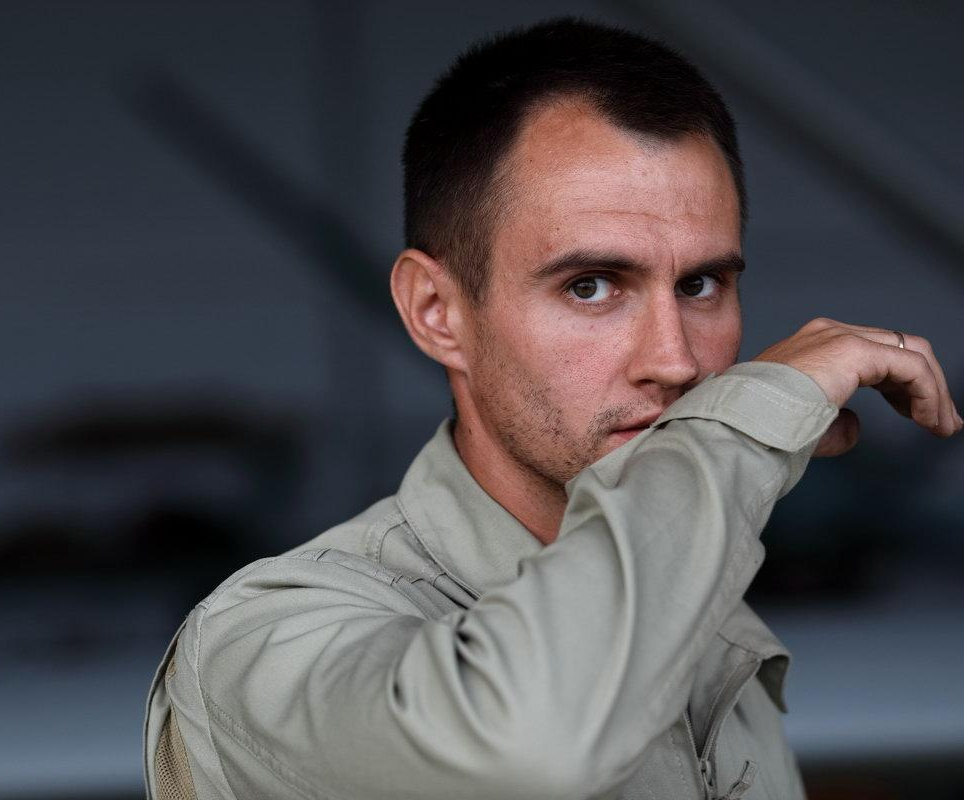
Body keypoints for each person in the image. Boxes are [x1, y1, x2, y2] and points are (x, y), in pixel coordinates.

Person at [145, 17, 962, 800]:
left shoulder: (696, 621)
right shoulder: (263, 642)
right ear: (436, 310)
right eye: (591, 286)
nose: (675, 360)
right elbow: (531, 746)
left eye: (701, 284)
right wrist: (749, 423)